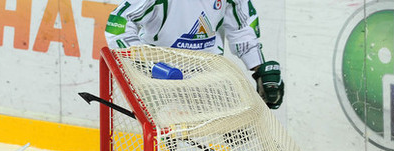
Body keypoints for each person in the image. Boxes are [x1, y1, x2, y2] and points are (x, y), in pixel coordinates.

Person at [104, 0, 284, 109]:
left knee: (242, 131)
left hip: (208, 74)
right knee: (173, 137)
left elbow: (241, 29)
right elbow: (118, 25)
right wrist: (150, 64)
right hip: (160, 80)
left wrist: (259, 68)